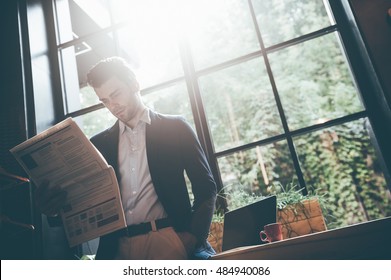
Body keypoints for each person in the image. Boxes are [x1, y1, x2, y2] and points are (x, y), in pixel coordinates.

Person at [35, 57, 217, 260]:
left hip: (169, 240)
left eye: (116, 94)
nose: (112, 106)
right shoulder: (98, 144)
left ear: (134, 84)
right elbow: (83, 204)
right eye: (104, 101)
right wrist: (53, 211)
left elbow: (206, 187)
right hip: (117, 249)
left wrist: (192, 238)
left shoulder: (175, 128)